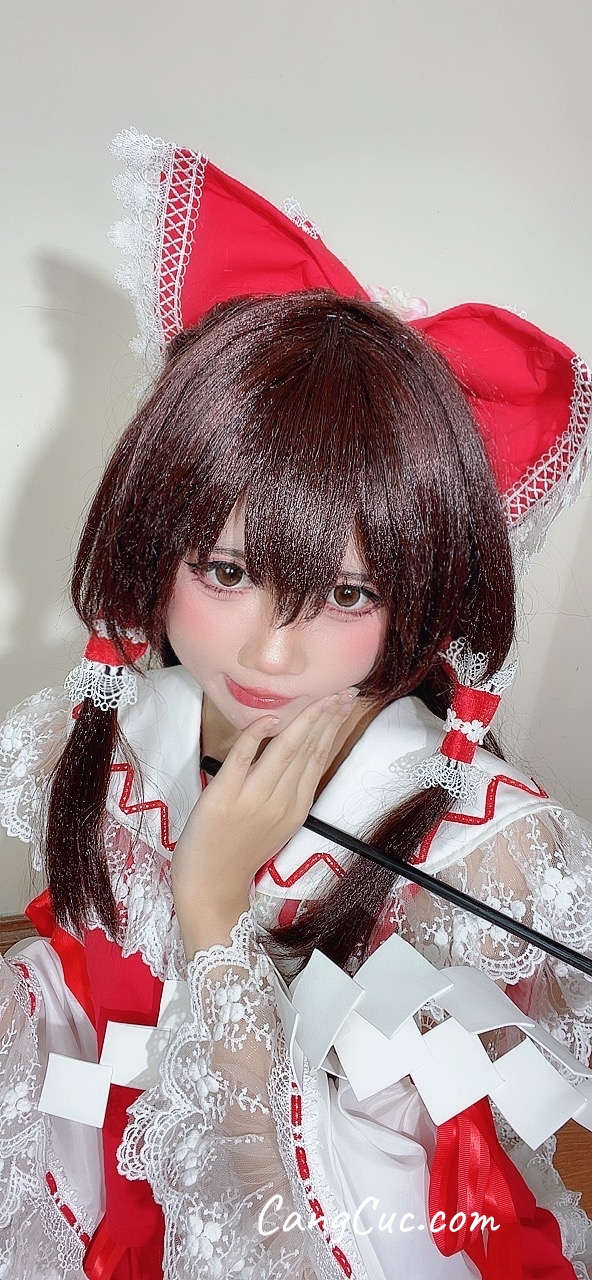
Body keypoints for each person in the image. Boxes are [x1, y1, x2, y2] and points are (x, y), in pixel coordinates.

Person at [0, 127, 591, 1280]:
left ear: (425, 595)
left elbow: (282, 1218)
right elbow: (80, 961)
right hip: (94, 1142)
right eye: (226, 571)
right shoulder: (116, 728)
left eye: (349, 592)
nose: (271, 648)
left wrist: (213, 906)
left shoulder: (487, 846)